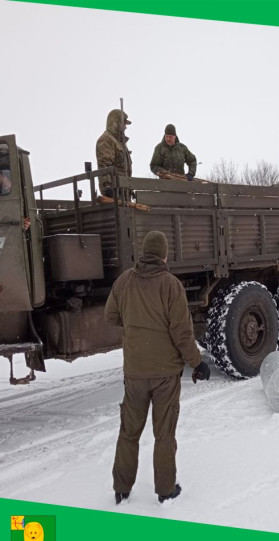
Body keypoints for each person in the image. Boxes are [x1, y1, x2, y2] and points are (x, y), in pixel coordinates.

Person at [104, 230, 211, 504]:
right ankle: (165, 490)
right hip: (165, 375)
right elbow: (182, 333)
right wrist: (197, 363)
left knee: (129, 432)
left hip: (135, 372)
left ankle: (121, 488)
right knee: (164, 434)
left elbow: (111, 316)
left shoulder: (124, 282)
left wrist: (135, 324)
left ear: (144, 253)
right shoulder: (171, 285)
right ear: (164, 255)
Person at [96, 109, 133, 198]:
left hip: (123, 191)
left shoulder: (120, 143)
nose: (125, 127)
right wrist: (107, 186)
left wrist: (130, 188)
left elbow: (124, 169)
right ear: (116, 123)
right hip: (114, 192)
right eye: (123, 123)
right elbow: (104, 165)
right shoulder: (106, 140)